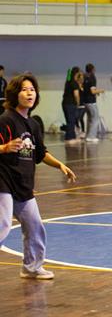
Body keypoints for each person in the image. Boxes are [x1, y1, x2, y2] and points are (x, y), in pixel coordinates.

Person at [0, 74, 77, 280]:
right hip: (4, 182)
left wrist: (60, 164)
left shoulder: (33, 124)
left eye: (32, 90)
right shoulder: (6, 119)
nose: (29, 93)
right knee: (3, 224)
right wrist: (5, 147)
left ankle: (32, 267)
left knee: (35, 227)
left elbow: (40, 153)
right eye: (24, 89)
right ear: (15, 94)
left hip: (23, 184)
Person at [83, 63, 104, 143]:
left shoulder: (84, 77)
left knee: (89, 119)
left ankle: (87, 135)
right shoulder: (92, 77)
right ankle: (91, 136)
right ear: (93, 69)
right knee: (95, 119)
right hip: (91, 102)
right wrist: (101, 91)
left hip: (85, 102)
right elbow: (92, 91)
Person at [61, 67, 81, 145]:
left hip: (65, 103)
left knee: (69, 121)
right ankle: (69, 138)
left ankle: (71, 137)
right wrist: (78, 103)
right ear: (77, 73)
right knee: (71, 121)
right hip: (71, 104)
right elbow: (76, 95)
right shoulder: (74, 83)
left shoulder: (68, 82)